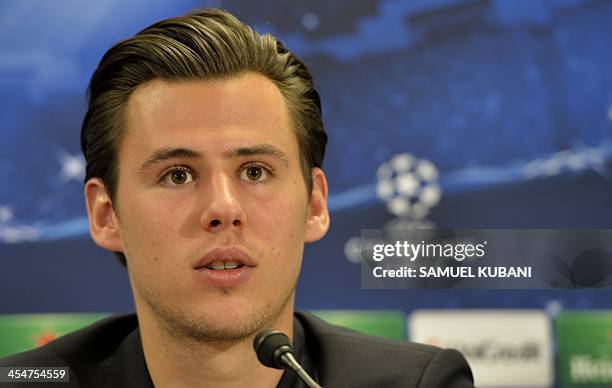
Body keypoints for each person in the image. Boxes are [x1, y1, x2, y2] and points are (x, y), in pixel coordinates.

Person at [0, 8, 474, 388]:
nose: (223, 208)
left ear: (314, 205)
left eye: (254, 171)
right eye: (178, 175)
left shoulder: (416, 384)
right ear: (106, 216)